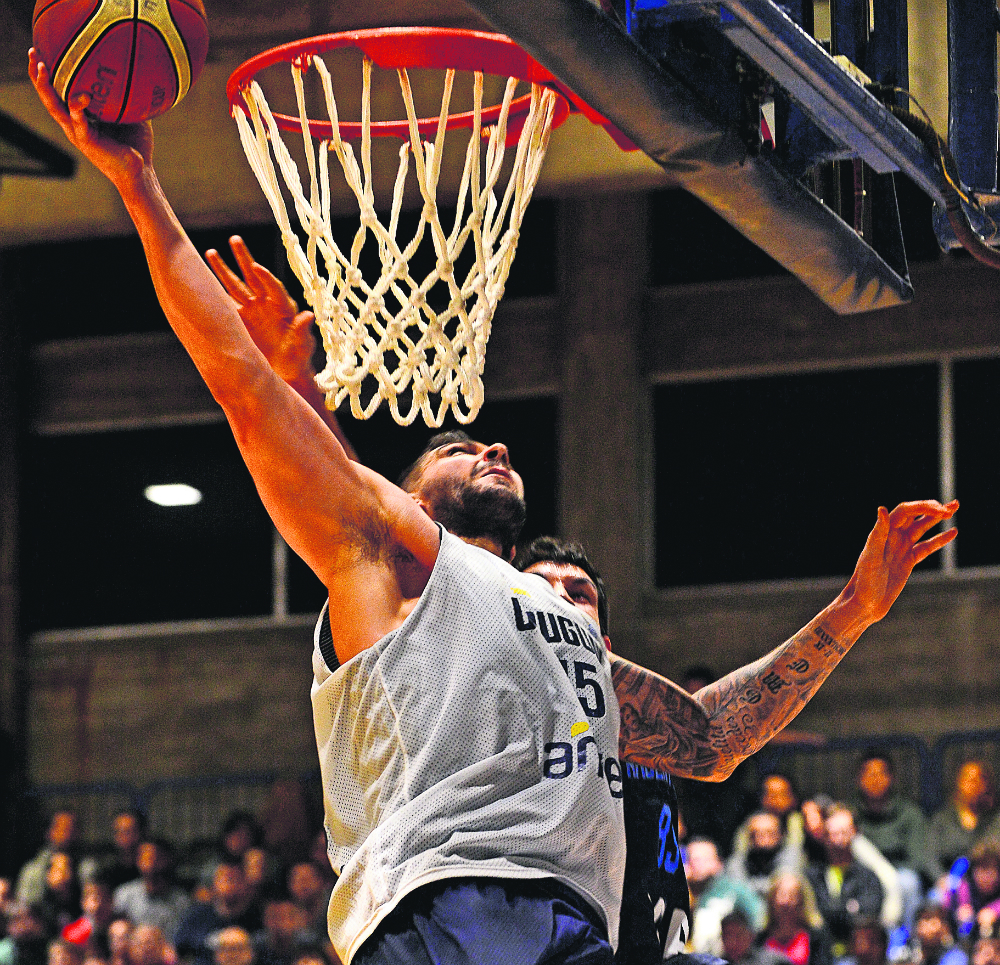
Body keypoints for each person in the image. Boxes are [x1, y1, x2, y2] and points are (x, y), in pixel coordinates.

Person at [29, 53, 959, 965]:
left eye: (490, 442)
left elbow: (709, 737)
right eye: (458, 447)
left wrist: (854, 609)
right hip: (449, 904)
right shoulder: (394, 570)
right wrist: (141, 185)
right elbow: (240, 389)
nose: (495, 445)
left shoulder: (558, 621)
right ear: (408, 498)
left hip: (571, 924)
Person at [208, 234, 959, 965]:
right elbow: (362, 523)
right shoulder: (478, 649)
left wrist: (856, 607)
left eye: (583, 593)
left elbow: (715, 733)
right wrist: (295, 386)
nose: (568, 600)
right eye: (549, 590)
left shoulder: (597, 684)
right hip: (493, 917)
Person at [852, 751, 928, 931]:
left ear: (891, 778)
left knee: (908, 882)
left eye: (881, 774)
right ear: (859, 779)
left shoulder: (909, 813)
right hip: (862, 875)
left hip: (900, 873)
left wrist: (889, 875)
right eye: (869, 774)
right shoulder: (851, 813)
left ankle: (906, 943)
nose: (875, 779)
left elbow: (917, 859)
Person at [805, 805, 886, 959]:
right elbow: (810, 918)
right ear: (823, 836)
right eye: (832, 834)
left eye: (843, 833)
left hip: (857, 955)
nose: (838, 840)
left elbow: (867, 918)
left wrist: (830, 911)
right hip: (819, 954)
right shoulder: (812, 875)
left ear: (855, 833)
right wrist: (849, 908)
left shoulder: (868, 876)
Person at [686, 838, 767, 957]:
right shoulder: (681, 891)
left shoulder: (734, 889)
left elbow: (759, 920)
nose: (695, 863)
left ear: (719, 863)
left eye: (703, 859)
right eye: (691, 859)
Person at [927, 763, 1000, 889]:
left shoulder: (996, 818)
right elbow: (930, 855)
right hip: (949, 882)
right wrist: (940, 877)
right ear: (959, 783)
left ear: (986, 784)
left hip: (988, 885)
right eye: (968, 779)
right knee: (934, 903)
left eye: (978, 779)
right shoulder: (943, 818)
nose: (973, 784)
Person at [112, 840, 191, 944]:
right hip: (133, 952)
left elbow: (183, 938)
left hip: (167, 953)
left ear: (166, 860)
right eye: (144, 856)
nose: (149, 861)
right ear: (137, 861)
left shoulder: (181, 900)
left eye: (154, 856)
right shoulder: (124, 894)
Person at [727, 811, 807, 901]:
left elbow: (781, 887)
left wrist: (751, 887)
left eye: (769, 833)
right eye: (757, 834)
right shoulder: (740, 859)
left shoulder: (792, 855)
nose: (764, 840)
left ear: (780, 835)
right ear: (749, 838)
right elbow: (736, 888)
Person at [759, 872, 833, 965]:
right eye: (782, 895)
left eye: (792, 896)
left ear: (802, 901)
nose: (786, 902)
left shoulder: (817, 935)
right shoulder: (761, 936)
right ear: (772, 900)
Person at [902, 902, 968, 965]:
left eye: (929, 919)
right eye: (921, 919)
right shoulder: (910, 954)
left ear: (945, 928)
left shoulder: (955, 957)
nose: (923, 924)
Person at [720, 908, 793, 965]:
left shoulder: (774, 961)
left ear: (750, 935)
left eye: (738, 936)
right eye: (727, 936)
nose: (732, 942)